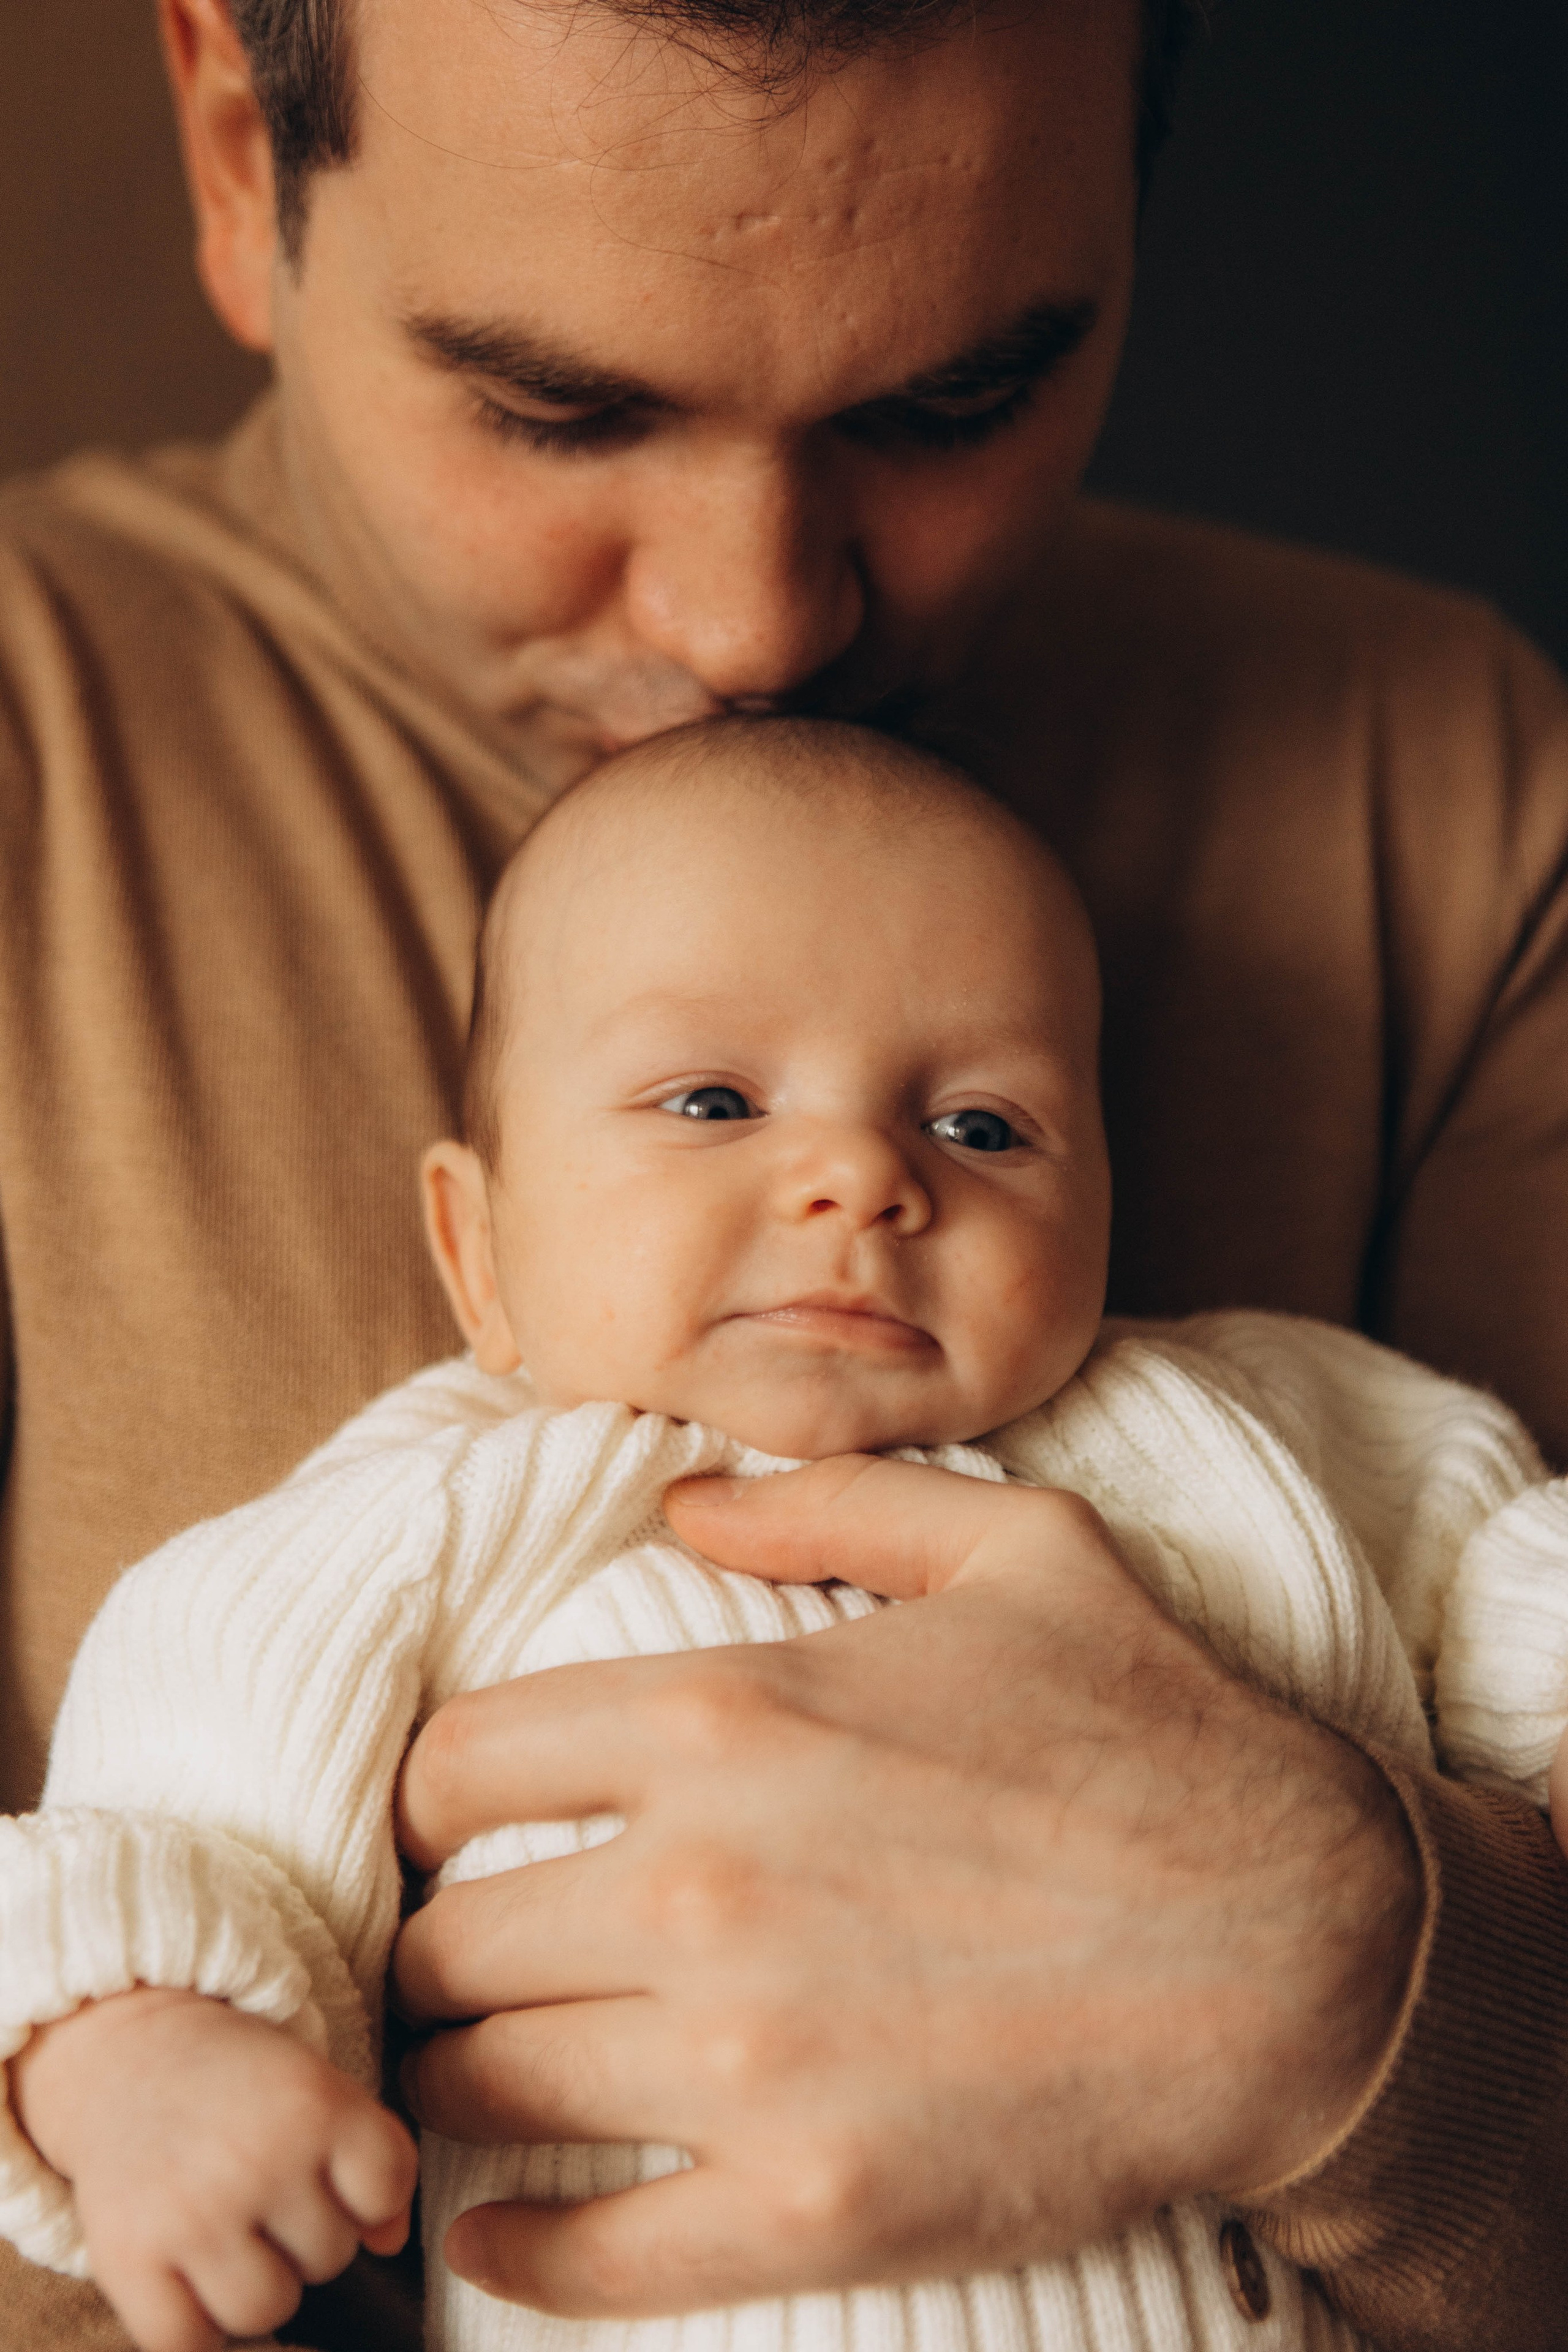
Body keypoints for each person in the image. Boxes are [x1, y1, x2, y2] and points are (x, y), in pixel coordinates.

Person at [1, 0, 1567, 2348]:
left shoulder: (1446, 784)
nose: (758, 623)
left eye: (954, 400)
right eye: (559, 403)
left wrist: (1386, 1998)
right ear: (241, 150)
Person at [9, 720, 1568, 2352]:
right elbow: (188, 1818)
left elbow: (1505, 1554)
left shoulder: (1253, 1425)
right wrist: (140, 2051)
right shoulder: (445, 1508)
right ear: (481, 1250)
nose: (857, 1174)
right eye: (712, 1100)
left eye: (982, 1127)